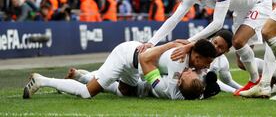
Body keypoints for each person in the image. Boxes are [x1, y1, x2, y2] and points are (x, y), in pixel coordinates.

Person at [139, 0, 274, 94]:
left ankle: (256, 82)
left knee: (238, 41)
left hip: (258, 4)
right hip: (240, 12)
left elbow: (217, 24)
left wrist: (189, 42)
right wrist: (152, 42)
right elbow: (174, 19)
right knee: (241, 63)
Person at [23, 39, 216, 100]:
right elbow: (174, 93)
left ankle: (84, 76)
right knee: (86, 94)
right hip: (126, 56)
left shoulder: (190, 57)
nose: (205, 68)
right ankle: (42, 80)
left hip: (135, 64)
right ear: (197, 57)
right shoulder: (178, 60)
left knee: (125, 92)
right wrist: (171, 44)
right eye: (205, 63)